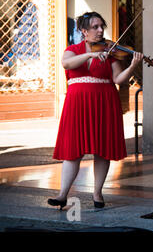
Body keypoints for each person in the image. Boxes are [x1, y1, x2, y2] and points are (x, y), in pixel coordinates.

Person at [48, 11, 144, 209]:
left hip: (104, 101)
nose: (100, 30)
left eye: (102, 26)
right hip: (77, 104)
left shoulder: (110, 53)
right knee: (73, 150)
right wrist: (91, 54)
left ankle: (97, 193)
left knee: (102, 149)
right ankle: (62, 195)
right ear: (84, 31)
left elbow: (118, 79)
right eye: (95, 27)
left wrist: (133, 66)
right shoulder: (73, 50)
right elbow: (66, 63)